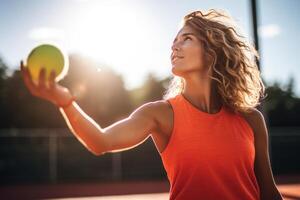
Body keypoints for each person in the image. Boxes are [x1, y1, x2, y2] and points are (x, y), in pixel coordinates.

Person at [20, 9, 283, 200]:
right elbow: (101, 142)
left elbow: (269, 193)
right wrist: (64, 101)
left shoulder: (250, 119)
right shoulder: (161, 114)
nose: (174, 45)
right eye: (175, 40)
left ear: (212, 50)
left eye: (186, 38)